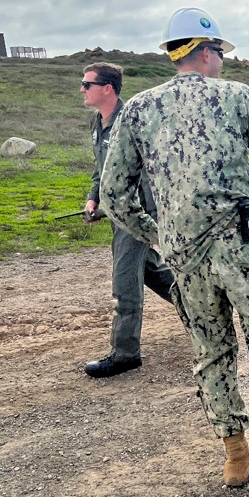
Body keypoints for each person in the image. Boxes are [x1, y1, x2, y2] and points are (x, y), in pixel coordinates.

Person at [99, 8, 249, 497]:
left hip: (184, 257)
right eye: (220, 52)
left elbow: (113, 196)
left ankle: (234, 455)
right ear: (207, 52)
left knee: (212, 353)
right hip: (241, 249)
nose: (222, 61)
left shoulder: (137, 110)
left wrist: (160, 235)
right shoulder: (239, 97)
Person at [80, 62, 176, 378]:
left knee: (125, 280)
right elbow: (103, 169)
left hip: (136, 212)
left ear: (107, 88)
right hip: (117, 210)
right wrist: (95, 197)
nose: (82, 89)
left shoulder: (131, 121)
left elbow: (150, 169)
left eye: (87, 84)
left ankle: (125, 353)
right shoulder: (98, 123)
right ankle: (203, 310)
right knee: (151, 271)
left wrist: (136, 209)